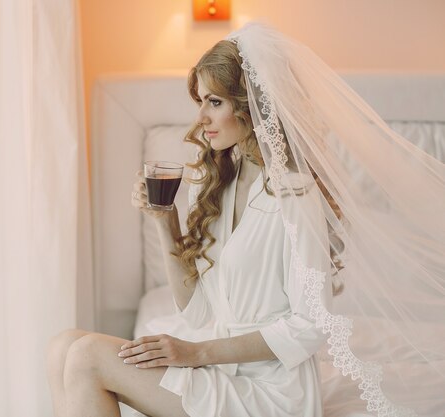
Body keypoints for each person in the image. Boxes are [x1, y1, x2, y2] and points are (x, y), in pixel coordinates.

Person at [47, 22, 445, 417]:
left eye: (214, 102)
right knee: (63, 346)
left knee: (86, 357)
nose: (200, 117)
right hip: (222, 371)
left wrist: (194, 352)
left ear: (251, 104)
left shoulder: (295, 194)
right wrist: (164, 221)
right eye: (200, 101)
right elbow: (199, 312)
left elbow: (309, 325)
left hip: (271, 389)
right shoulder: (220, 184)